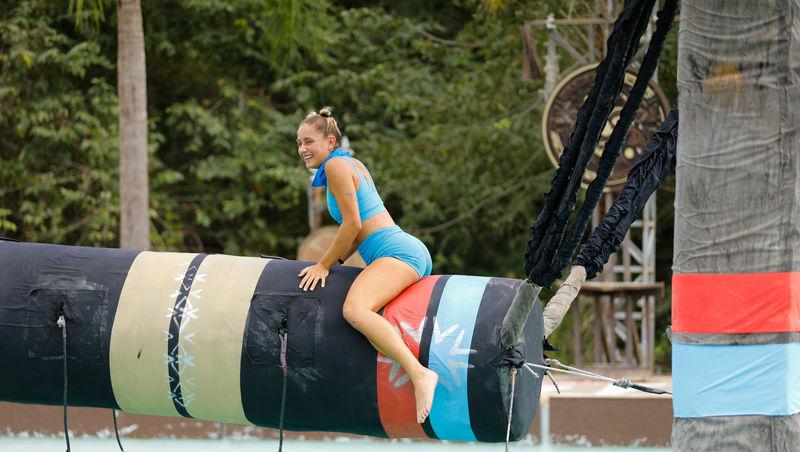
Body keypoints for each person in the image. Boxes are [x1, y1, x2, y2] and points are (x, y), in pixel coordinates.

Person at [296, 107, 438, 424]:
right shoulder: (351, 163)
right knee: (372, 328)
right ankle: (415, 373)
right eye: (299, 143)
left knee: (354, 310)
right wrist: (336, 262)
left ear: (330, 141)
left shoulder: (336, 166)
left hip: (396, 252)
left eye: (309, 141)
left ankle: (421, 375)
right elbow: (357, 234)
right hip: (401, 249)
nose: (303, 149)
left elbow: (352, 225)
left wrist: (323, 265)